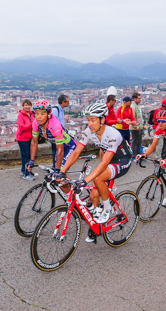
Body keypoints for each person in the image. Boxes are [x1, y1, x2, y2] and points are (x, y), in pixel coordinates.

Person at [59, 102, 132, 239]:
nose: (90, 123)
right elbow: (76, 153)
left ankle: (107, 208)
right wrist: (62, 171)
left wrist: (85, 180)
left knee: (98, 179)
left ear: (102, 120)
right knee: (93, 196)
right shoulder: (89, 132)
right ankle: (96, 226)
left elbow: (104, 163)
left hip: (122, 160)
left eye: (93, 120)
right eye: (88, 120)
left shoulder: (113, 134)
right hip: (109, 160)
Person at [28, 99, 77, 171]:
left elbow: (60, 150)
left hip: (69, 147)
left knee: (60, 173)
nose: (39, 117)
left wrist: (57, 169)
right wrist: (32, 161)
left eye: (42, 114)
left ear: (48, 115)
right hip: (60, 147)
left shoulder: (54, 126)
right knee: (56, 176)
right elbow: (34, 142)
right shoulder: (35, 123)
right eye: (37, 113)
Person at [16, 99, 35, 180]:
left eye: (29, 105)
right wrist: (31, 124)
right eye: (26, 105)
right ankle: (26, 174)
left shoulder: (32, 113)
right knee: (26, 156)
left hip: (30, 138)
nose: (27, 106)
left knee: (28, 155)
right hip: (22, 138)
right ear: (23, 106)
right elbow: (22, 126)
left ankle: (24, 170)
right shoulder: (20, 115)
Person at [50, 94, 70, 161]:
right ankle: (55, 165)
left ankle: (58, 164)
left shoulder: (61, 109)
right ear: (63, 102)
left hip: (60, 133)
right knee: (56, 151)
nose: (68, 103)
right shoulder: (55, 110)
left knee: (59, 150)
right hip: (56, 134)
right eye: (67, 102)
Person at [129, 92, 144, 159]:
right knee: (135, 142)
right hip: (134, 128)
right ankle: (134, 155)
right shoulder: (132, 106)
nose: (140, 100)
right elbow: (132, 117)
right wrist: (136, 126)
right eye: (139, 98)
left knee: (139, 142)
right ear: (135, 99)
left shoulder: (137, 106)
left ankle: (138, 155)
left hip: (139, 126)